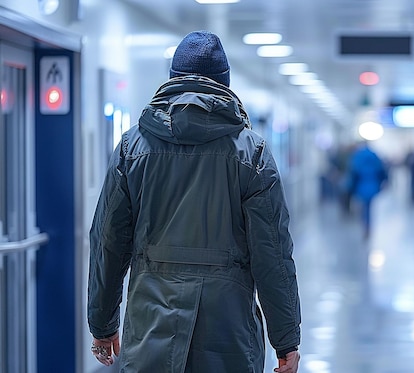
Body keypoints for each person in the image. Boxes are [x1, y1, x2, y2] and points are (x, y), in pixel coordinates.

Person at [87, 31, 301, 373]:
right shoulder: (252, 153)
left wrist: (102, 323)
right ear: (225, 85)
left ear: (172, 79)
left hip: (150, 328)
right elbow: (272, 253)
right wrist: (286, 339)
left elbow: (108, 242)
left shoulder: (132, 148)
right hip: (228, 333)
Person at [348, 141, 388, 239]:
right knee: (369, 207)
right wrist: (384, 181)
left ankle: (365, 225)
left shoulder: (358, 156)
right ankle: (368, 226)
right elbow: (382, 170)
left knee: (363, 207)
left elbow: (353, 172)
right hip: (373, 184)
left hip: (361, 185)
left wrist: (351, 187)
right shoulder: (374, 155)